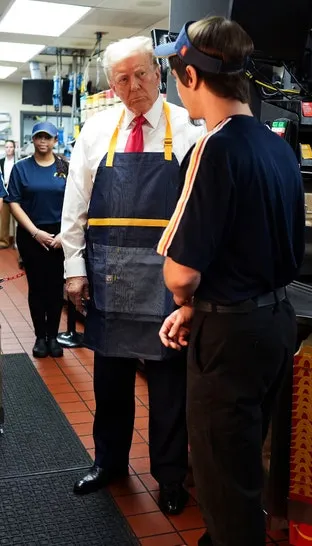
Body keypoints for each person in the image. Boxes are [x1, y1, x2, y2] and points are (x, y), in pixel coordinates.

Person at [154, 16, 304, 546]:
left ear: (191, 76)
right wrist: (202, 304)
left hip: (231, 342)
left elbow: (181, 269)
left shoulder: (211, 149)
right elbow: (257, 246)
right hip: (274, 324)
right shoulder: (277, 147)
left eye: (175, 73)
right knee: (243, 466)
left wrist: (183, 297)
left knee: (222, 481)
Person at [60, 34, 204, 514]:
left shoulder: (191, 128)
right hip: (109, 281)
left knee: (168, 391)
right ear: (111, 85)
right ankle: (109, 464)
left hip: (168, 285)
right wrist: (74, 269)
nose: (134, 84)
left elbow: (201, 213)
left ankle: (169, 477)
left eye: (141, 73)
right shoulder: (96, 130)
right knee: (110, 384)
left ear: (158, 73)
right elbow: (75, 207)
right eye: (122, 78)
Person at [5, 123, 67, 358]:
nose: (43, 141)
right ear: (32, 140)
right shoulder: (22, 168)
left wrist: (65, 234)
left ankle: (53, 336)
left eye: (47, 137)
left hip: (59, 236)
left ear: (54, 141)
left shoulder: (64, 168)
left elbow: (75, 202)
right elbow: (13, 202)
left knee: (55, 288)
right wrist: (34, 232)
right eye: (38, 137)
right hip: (32, 234)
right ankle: (40, 337)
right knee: (37, 288)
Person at [0, 139, 16, 249]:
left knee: (17, 220)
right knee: (4, 219)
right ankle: (4, 241)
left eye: (11, 147)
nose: (9, 149)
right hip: (4, 193)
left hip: (16, 193)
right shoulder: (1, 162)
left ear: (14, 148)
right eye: (7, 147)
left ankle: (16, 242)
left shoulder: (18, 161)